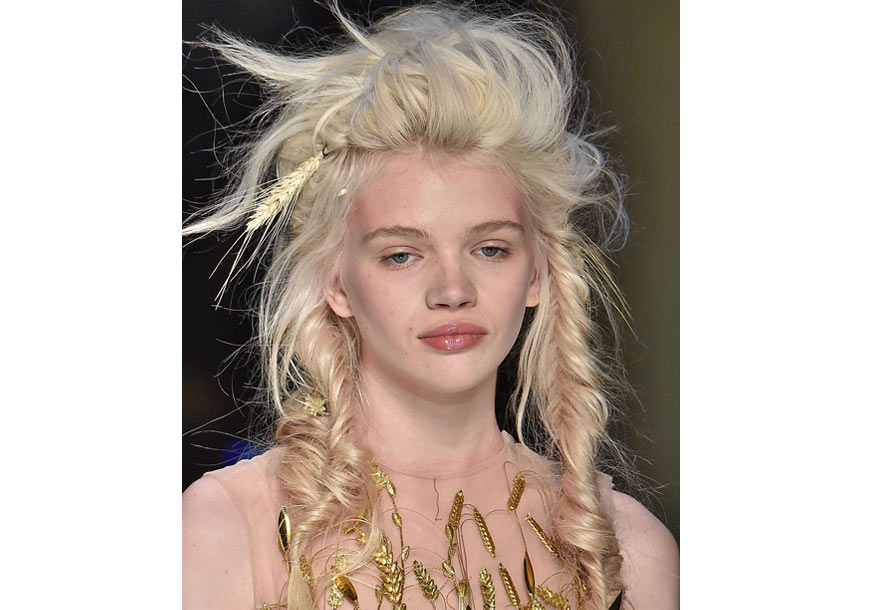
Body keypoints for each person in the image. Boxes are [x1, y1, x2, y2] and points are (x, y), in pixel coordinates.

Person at [182, 3, 679, 609]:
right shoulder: (227, 530)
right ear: (337, 283)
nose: (452, 289)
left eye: (490, 249)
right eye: (401, 255)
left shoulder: (626, 548)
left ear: (537, 272)